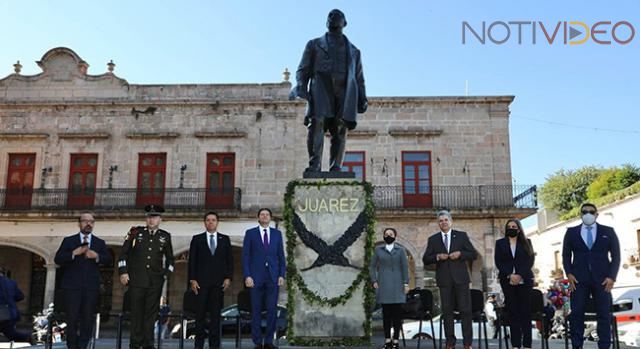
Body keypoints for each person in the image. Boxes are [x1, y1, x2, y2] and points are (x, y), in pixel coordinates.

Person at [289, 9, 368, 174]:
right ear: (326, 22)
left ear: (344, 23)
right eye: (330, 16)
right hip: (321, 88)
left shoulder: (354, 51)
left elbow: (359, 78)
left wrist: (362, 97)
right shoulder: (314, 44)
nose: (333, 17)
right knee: (317, 123)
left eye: (337, 15)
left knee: (340, 128)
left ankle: (336, 166)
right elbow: (302, 69)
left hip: (345, 91)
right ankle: (314, 164)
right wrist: (301, 85)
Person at [562, 203, 620, 349]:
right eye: (584, 212)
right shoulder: (571, 232)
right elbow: (566, 255)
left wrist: (612, 277)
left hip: (603, 280)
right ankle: (577, 346)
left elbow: (616, 256)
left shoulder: (608, 231)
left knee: (604, 315)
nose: (588, 214)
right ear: (580, 214)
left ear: (596, 214)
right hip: (578, 280)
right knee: (576, 314)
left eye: (591, 211)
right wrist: (568, 273)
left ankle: (605, 346)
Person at [118, 204, 175, 349]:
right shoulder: (135, 233)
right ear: (146, 218)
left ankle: (148, 343)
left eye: (155, 217)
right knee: (137, 313)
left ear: (160, 219)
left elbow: (170, 259)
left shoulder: (165, 236)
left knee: (151, 314)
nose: (152, 220)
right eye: (149, 217)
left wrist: (166, 274)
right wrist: (123, 271)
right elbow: (123, 253)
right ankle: (135, 344)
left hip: (155, 281)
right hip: (136, 280)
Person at [54, 212, 112, 349]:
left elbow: (108, 259)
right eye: (85, 221)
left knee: (87, 319)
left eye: (91, 222)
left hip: (91, 287)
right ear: (79, 223)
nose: (88, 224)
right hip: (72, 287)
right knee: (72, 318)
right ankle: (72, 346)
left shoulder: (99, 242)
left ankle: (83, 345)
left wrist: (96, 256)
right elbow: (58, 259)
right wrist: (74, 253)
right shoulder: (69, 241)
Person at [423, 210, 478, 349]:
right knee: (447, 312)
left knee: (465, 311)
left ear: (451, 221)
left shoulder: (461, 236)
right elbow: (425, 259)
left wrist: (460, 254)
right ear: (438, 223)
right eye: (440, 221)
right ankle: (450, 343)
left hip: (461, 280)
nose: (443, 222)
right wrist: (437, 257)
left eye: (445, 220)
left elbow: (473, 254)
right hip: (444, 280)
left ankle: (467, 343)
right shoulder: (433, 239)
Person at [188, 211, 233, 349]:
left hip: (218, 284)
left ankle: (214, 346)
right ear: (204, 222)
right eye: (208, 220)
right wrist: (192, 279)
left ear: (217, 222)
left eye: (213, 220)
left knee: (215, 317)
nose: (211, 222)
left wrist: (228, 277)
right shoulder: (197, 239)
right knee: (200, 316)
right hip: (201, 284)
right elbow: (192, 261)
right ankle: (199, 345)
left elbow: (229, 261)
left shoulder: (225, 239)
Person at [242, 208, 286, 349]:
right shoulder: (250, 233)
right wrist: (247, 275)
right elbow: (246, 256)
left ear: (270, 218)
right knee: (255, 309)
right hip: (255, 277)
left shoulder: (277, 234)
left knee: (272, 310)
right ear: (258, 218)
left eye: (267, 215)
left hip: (273, 277)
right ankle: (257, 341)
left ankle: (268, 341)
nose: (265, 216)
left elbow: (281, 256)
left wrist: (281, 275)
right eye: (262, 215)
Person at [494, 218, 535, 349]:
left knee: (525, 312)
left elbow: (530, 260)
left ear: (519, 229)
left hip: (525, 280)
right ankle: (516, 344)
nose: (511, 228)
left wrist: (520, 275)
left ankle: (527, 344)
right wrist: (510, 275)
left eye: (514, 226)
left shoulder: (527, 243)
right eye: (509, 226)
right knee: (513, 312)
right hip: (507, 281)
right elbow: (498, 262)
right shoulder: (500, 243)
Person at [370, 228, 409, 349]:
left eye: (391, 234)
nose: (388, 236)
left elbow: (405, 267)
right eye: (386, 234)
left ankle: (396, 341)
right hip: (384, 285)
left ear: (395, 236)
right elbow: (372, 266)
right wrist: (374, 280)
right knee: (386, 315)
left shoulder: (401, 250)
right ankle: (387, 340)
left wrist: (406, 283)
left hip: (398, 286)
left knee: (397, 316)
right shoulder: (378, 250)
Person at [0, 267, 30, 343]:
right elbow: (20, 296)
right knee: (11, 333)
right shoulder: (11, 282)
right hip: (10, 313)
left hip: (2, 313)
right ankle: (28, 337)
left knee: (10, 333)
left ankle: (28, 337)